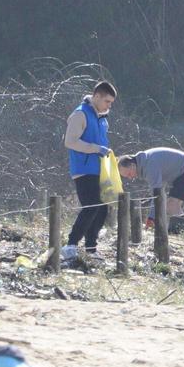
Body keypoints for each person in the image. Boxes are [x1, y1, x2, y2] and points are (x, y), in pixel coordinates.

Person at [63, 81, 116, 260]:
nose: (109, 106)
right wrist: (96, 148)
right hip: (84, 169)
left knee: (101, 210)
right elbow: (70, 141)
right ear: (97, 96)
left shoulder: (102, 118)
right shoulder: (80, 114)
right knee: (91, 206)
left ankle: (91, 249)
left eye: (111, 103)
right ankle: (70, 245)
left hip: (99, 170)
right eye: (107, 101)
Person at [118, 148, 184, 226]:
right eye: (127, 177)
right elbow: (159, 190)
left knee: (171, 205)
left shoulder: (149, 166)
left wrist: (151, 218)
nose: (130, 178)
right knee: (170, 205)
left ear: (132, 165)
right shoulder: (144, 162)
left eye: (129, 174)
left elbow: (157, 194)